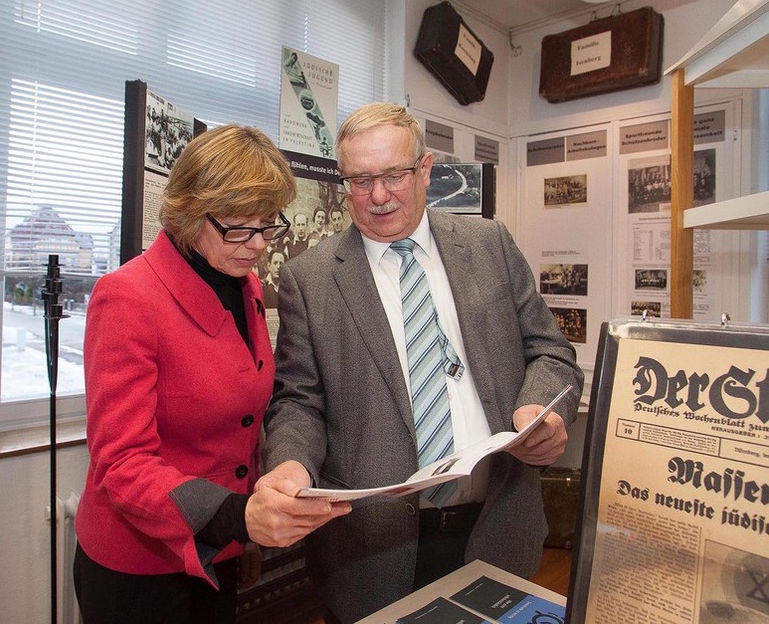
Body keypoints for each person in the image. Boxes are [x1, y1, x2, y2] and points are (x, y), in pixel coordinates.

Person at [258, 102, 584, 623]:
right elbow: (299, 400)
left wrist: (539, 411)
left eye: (393, 175)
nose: (379, 196)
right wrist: (291, 464)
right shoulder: (309, 278)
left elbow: (550, 350)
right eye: (360, 181)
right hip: (371, 547)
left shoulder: (489, 244)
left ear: (427, 169)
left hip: (497, 522)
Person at [73, 124, 348, 624]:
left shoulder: (246, 289)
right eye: (239, 227)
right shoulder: (127, 298)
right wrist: (237, 518)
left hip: (218, 549)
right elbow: (122, 463)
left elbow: (241, 428)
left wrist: (242, 534)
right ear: (188, 211)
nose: (259, 245)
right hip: (139, 568)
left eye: (268, 225)